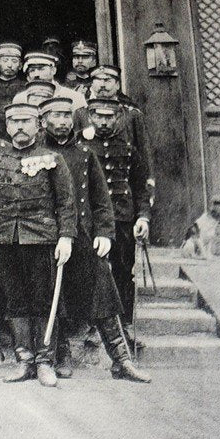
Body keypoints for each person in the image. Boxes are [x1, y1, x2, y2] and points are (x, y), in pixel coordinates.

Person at [40, 95, 149, 382]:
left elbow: (101, 200)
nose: (62, 121)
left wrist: (105, 232)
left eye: (66, 115)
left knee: (103, 288)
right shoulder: (37, 153)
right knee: (56, 292)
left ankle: (121, 360)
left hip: (84, 233)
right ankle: (60, 353)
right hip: (48, 235)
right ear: (44, 120)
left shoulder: (85, 153)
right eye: (55, 115)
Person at [0, 100, 76, 386]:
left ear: (38, 125)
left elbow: (66, 202)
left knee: (43, 300)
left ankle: (45, 361)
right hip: (6, 238)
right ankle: (24, 359)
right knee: (15, 301)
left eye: (26, 121)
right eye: (14, 122)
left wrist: (66, 237)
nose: (20, 127)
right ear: (7, 126)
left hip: (42, 238)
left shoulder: (53, 159)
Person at [84, 96, 151, 335]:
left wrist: (143, 217)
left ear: (118, 118)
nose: (103, 121)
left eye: (109, 117)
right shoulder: (83, 147)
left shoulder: (129, 148)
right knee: (93, 271)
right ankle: (93, 325)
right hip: (93, 220)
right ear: (90, 117)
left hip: (123, 217)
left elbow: (141, 184)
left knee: (124, 270)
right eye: (98, 116)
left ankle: (126, 324)